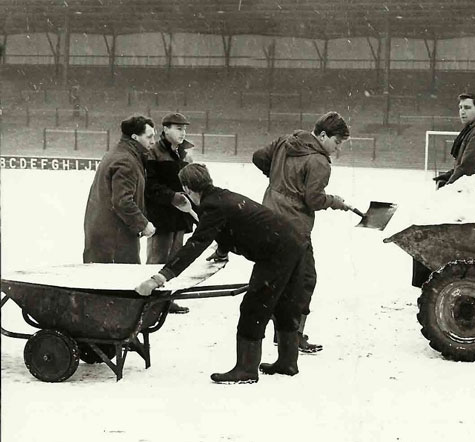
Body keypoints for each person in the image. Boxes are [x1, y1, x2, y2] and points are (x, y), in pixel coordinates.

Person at [134, 164, 309, 384]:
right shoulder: (222, 197)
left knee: (255, 306)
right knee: (285, 303)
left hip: (277, 252)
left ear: (187, 189)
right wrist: (222, 250)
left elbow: (196, 244)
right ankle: (287, 362)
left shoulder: (212, 206)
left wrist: (160, 277)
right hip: (295, 241)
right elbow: (231, 226)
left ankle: (246, 369)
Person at [252, 111, 351, 353]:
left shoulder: (286, 141)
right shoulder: (319, 162)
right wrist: (336, 201)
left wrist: (277, 179)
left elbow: (258, 157)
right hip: (295, 227)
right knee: (305, 280)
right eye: (336, 143)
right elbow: (314, 199)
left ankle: (277, 331)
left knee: (276, 277)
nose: (336, 149)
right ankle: (293, 334)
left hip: (269, 218)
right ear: (323, 135)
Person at [83, 115, 156, 264]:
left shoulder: (119, 154)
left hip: (104, 232)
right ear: (135, 137)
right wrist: (143, 224)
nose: (153, 142)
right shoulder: (126, 161)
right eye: (149, 137)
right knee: (119, 282)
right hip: (115, 238)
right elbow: (122, 201)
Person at [145, 112, 196, 314]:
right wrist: (172, 197)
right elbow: (150, 186)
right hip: (161, 216)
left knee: (175, 259)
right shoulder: (154, 153)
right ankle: (150, 302)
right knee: (156, 260)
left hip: (180, 216)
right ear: (165, 129)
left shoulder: (185, 154)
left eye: (184, 128)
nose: (182, 132)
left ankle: (167, 300)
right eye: (178, 128)